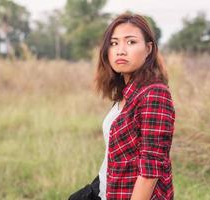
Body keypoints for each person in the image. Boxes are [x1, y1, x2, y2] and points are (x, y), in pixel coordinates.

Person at [69, 13, 175, 200]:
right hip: (105, 190)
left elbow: (150, 172)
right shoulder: (126, 93)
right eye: (114, 43)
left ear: (149, 48)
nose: (120, 50)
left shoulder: (154, 94)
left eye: (131, 42)